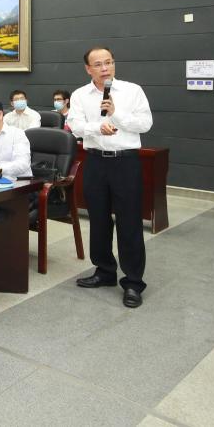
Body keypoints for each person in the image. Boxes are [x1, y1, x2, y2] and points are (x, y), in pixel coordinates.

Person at [67, 46, 152, 309]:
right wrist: (97, 128)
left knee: (129, 222)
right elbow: (75, 125)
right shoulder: (80, 95)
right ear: (88, 69)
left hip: (125, 162)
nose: (105, 68)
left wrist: (116, 113)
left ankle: (133, 282)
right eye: (98, 64)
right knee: (98, 219)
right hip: (95, 161)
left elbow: (145, 124)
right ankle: (104, 271)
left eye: (109, 62)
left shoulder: (132, 91)